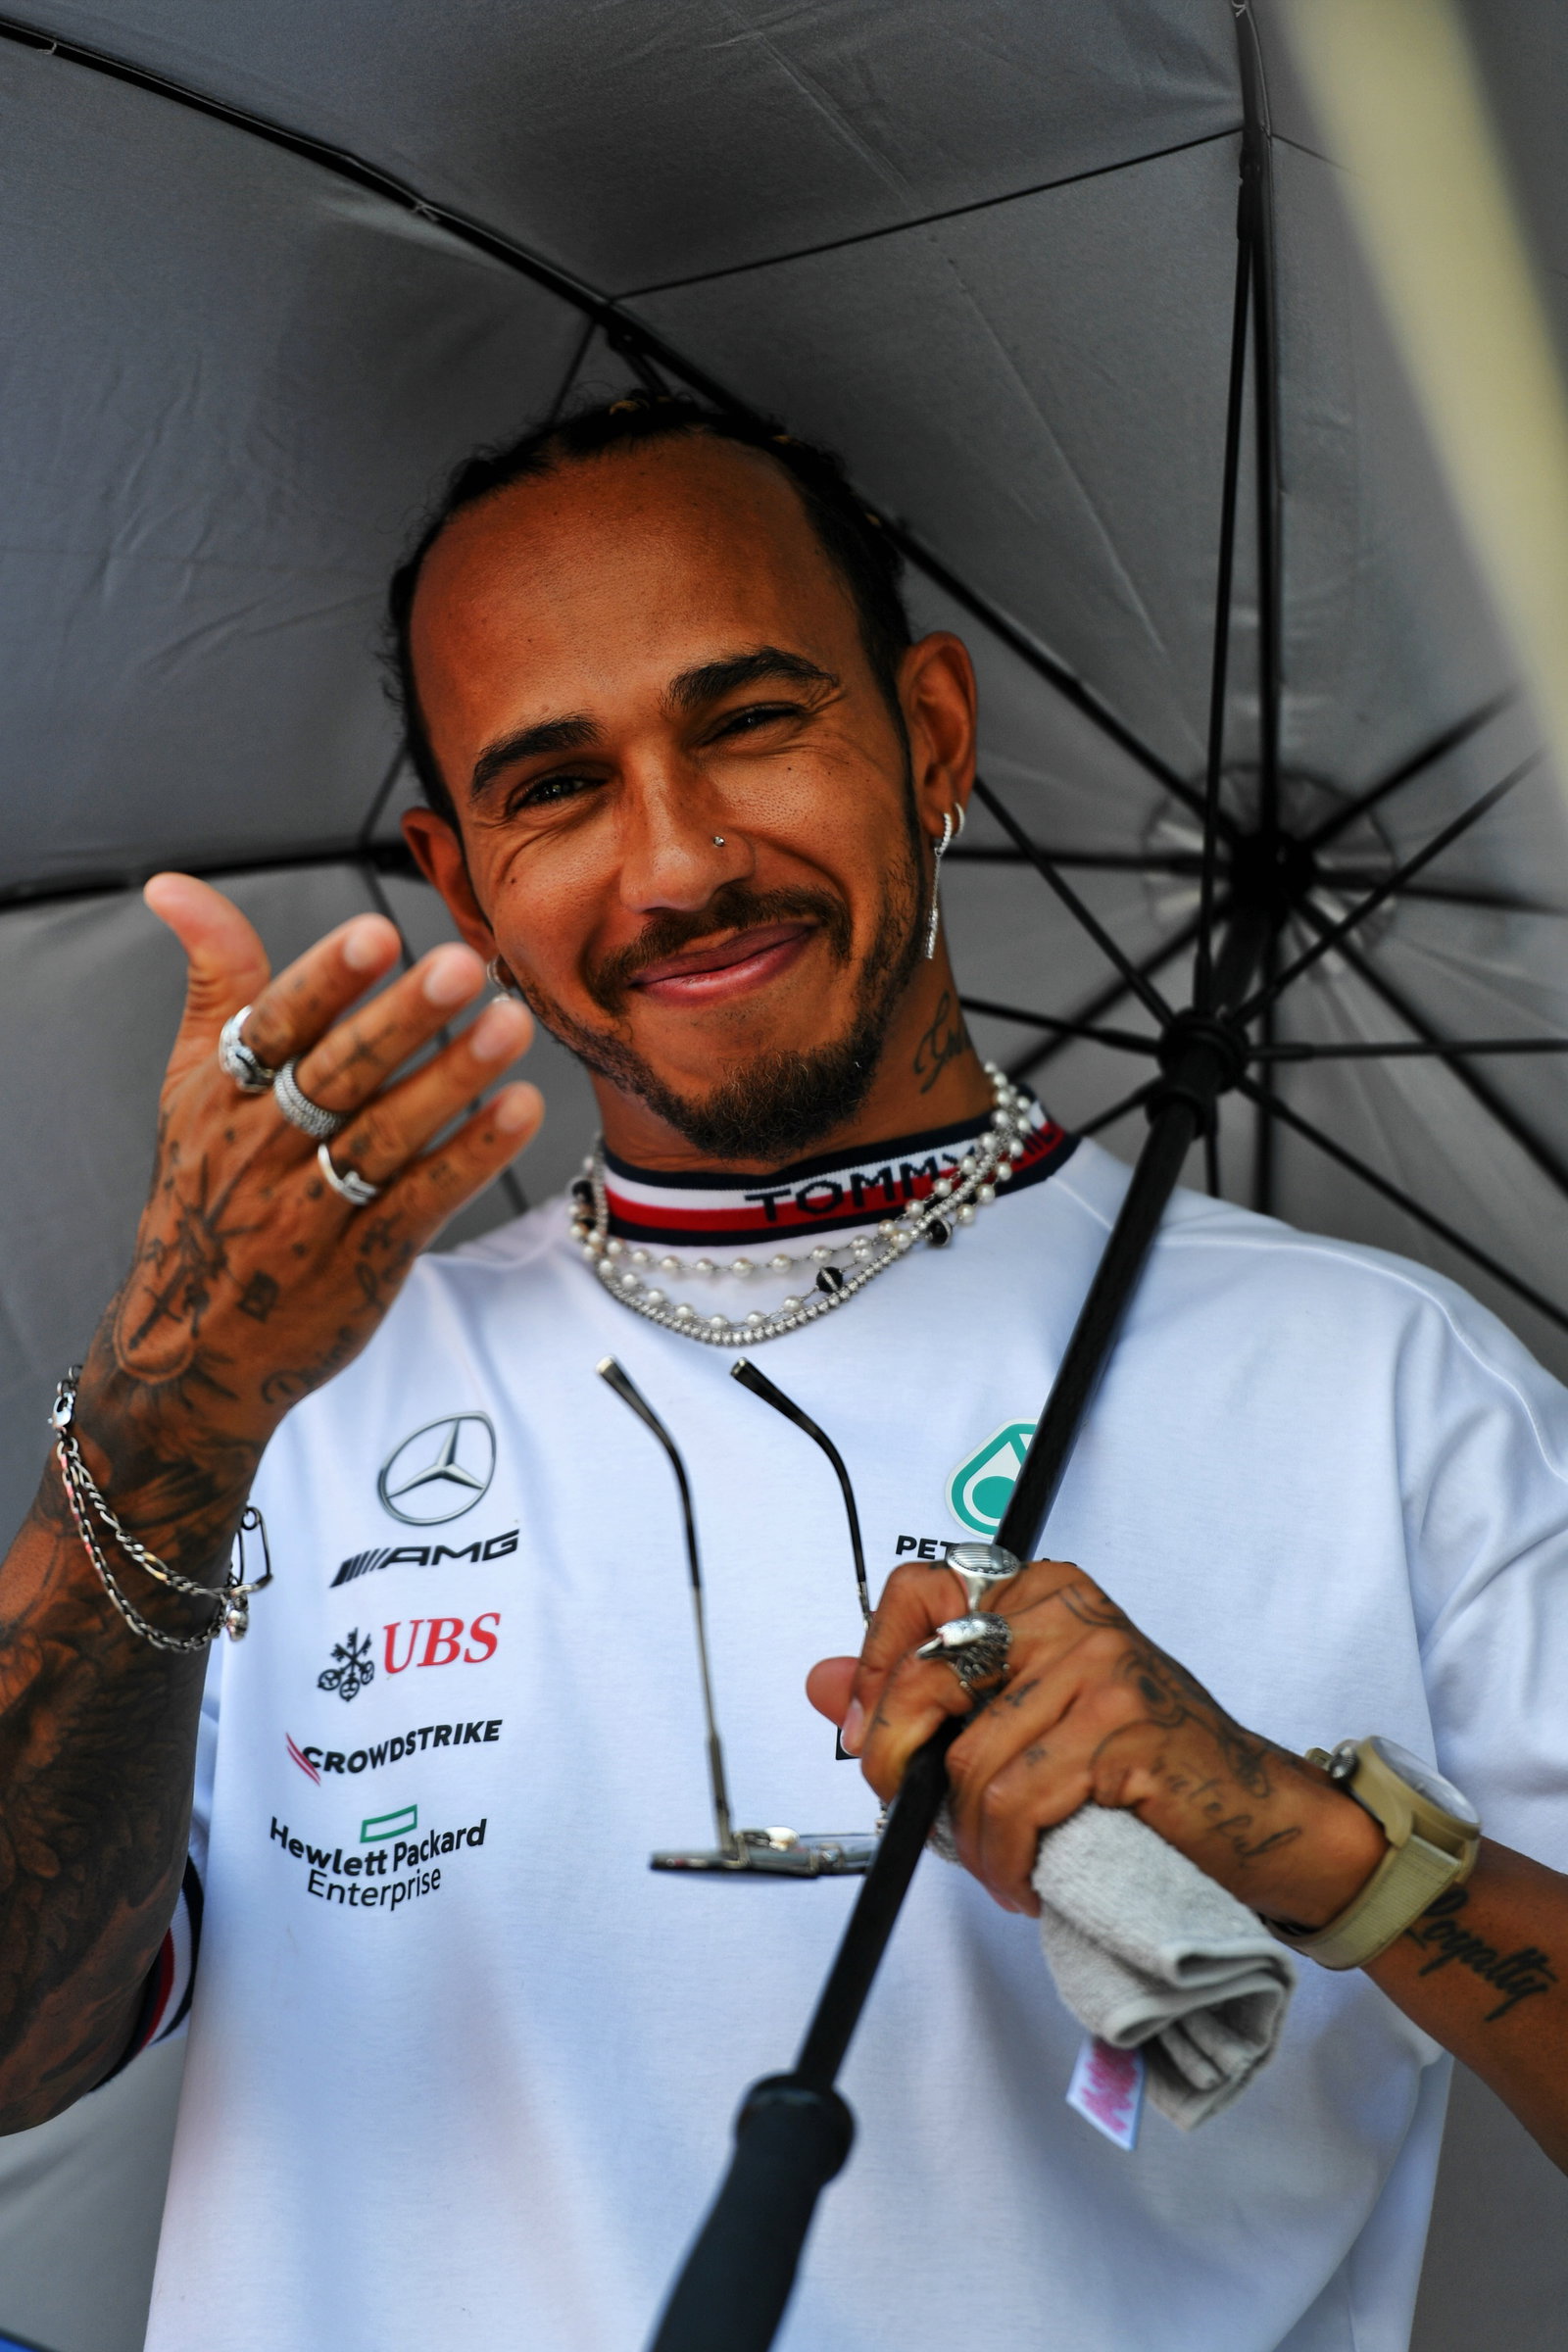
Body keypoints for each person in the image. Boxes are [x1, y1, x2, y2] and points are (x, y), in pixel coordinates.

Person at [1, 391, 1566, 2352]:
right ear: (460, 877)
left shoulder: (1386, 1393)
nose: (674, 863)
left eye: (746, 722)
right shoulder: (290, 1411)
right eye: (554, 785)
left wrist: (1308, 1839)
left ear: (925, 737)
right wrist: (169, 1405)